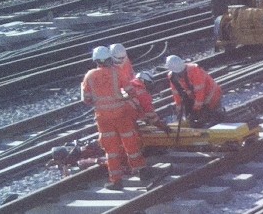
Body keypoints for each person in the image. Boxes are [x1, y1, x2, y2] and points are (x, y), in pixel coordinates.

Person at [81, 46, 150, 190]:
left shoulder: (89, 76)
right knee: (131, 143)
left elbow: (86, 99)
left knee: (111, 151)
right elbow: (130, 91)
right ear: (109, 59)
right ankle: (142, 171)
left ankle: (116, 181)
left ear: (95, 60)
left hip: (104, 118)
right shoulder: (116, 72)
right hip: (121, 114)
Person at [165, 55, 223, 128]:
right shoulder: (172, 77)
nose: (181, 74)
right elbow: (176, 94)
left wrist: (196, 110)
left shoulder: (194, 70)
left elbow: (200, 92)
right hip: (197, 97)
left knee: (213, 117)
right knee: (198, 118)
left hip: (212, 94)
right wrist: (179, 111)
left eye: (181, 72)